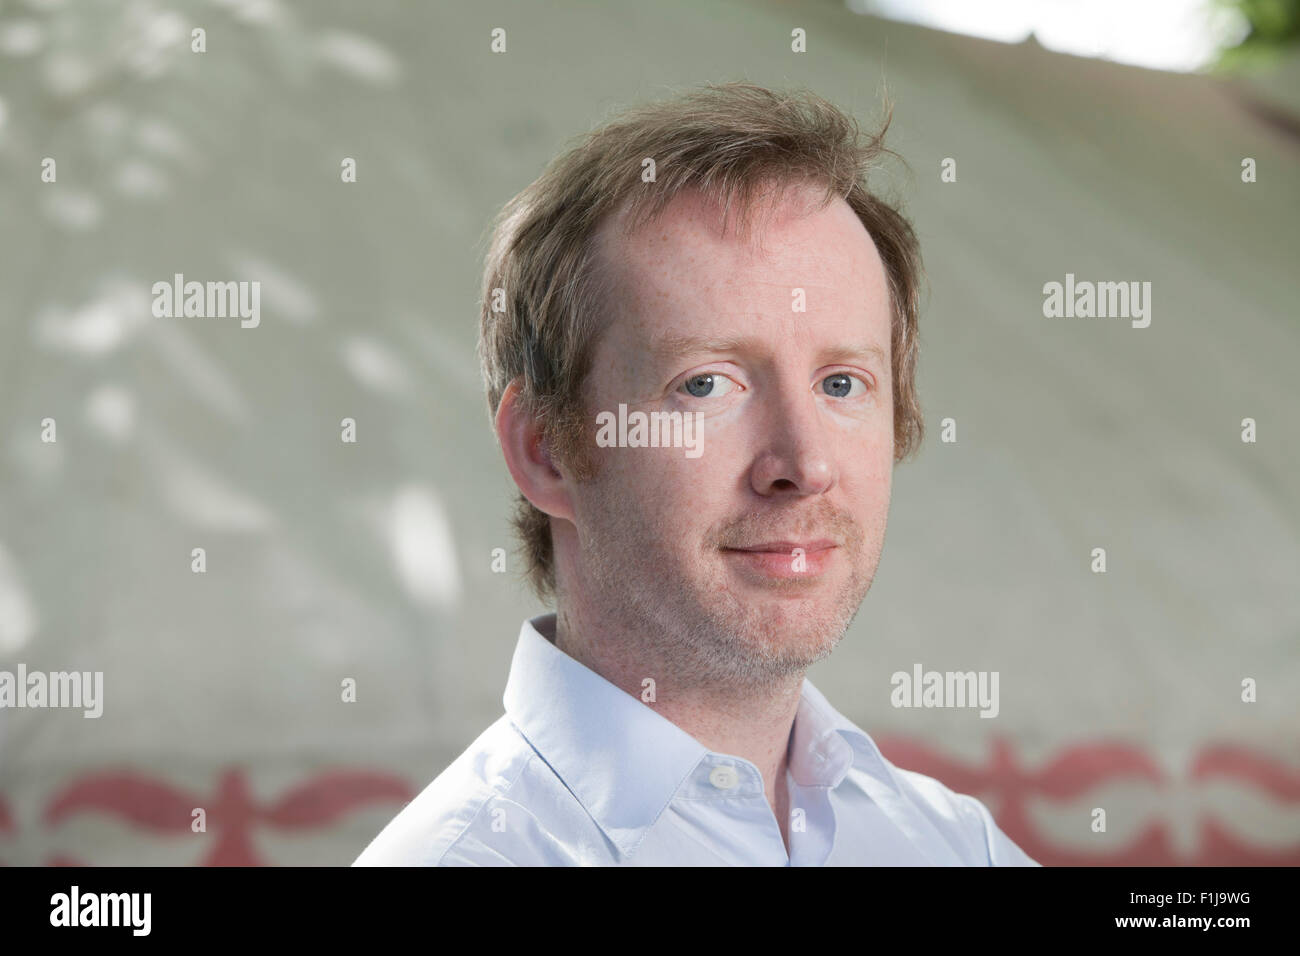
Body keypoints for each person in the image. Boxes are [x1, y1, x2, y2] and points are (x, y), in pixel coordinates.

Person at [355, 82, 1038, 866]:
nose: (805, 466)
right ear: (545, 450)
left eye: (842, 383)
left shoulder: (956, 847)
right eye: (707, 385)